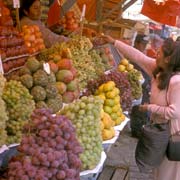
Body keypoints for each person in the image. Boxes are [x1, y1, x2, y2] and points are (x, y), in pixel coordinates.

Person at [101, 34, 180, 180]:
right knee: (158, 171)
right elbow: (137, 56)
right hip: (159, 130)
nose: (156, 53)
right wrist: (114, 41)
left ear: (168, 59)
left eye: (160, 52)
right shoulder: (158, 70)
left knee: (169, 174)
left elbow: (175, 112)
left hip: (173, 133)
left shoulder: (176, 82)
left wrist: (149, 107)